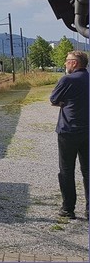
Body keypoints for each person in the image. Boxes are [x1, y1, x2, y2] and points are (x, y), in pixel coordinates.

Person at [49, 50, 89, 219]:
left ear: (74, 63)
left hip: (68, 131)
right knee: (88, 171)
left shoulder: (67, 79)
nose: (65, 64)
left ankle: (68, 209)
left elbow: (53, 99)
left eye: (67, 61)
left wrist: (65, 102)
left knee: (66, 170)